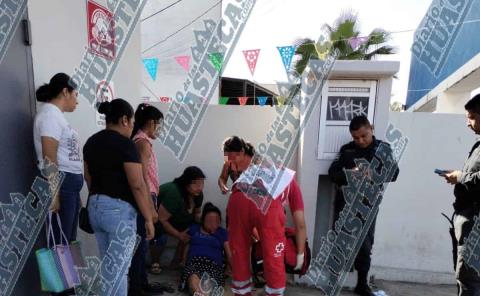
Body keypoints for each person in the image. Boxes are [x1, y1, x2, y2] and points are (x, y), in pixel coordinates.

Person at [83, 99, 154, 296]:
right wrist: (148, 217)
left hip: (95, 208)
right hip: (118, 213)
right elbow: (137, 184)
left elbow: (87, 176)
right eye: (131, 122)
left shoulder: (91, 142)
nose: (132, 127)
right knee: (120, 270)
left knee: (109, 268)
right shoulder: (125, 144)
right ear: (124, 120)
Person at [225, 137, 307, 296]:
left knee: (239, 252)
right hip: (268, 203)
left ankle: (242, 291)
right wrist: (300, 254)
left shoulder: (249, 173)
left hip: (237, 198)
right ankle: (274, 291)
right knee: (273, 256)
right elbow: (300, 224)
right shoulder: (287, 178)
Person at [328, 115, 399, 296]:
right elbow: (332, 172)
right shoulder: (346, 150)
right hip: (345, 205)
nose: (360, 141)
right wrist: (349, 173)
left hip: (367, 207)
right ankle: (332, 283)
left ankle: (362, 285)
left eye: (363, 136)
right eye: (356, 137)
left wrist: (373, 174)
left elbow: (394, 173)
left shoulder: (382, 149)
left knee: (365, 247)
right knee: (339, 244)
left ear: (371, 129)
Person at [34, 73, 83, 296]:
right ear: (65, 91)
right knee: (60, 245)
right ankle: (63, 293)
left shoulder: (57, 116)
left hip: (69, 186)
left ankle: (69, 291)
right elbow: (49, 155)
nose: (77, 100)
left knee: (67, 242)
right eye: (75, 95)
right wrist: (54, 192)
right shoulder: (50, 116)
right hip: (61, 185)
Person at [442, 94, 480, 296]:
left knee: (468, 279)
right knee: (464, 277)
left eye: (472, 117)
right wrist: (457, 176)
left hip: (475, 222)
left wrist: (461, 177)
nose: (468, 123)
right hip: (466, 218)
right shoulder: (478, 144)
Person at [128, 103, 164, 295]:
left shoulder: (141, 141)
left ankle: (142, 283)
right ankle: (137, 287)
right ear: (151, 123)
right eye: (158, 124)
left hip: (147, 196)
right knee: (141, 244)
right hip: (145, 196)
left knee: (143, 243)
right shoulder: (142, 143)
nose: (159, 128)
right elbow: (141, 178)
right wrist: (150, 208)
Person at [157, 166, 206, 267]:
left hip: (179, 223)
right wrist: (179, 235)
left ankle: (181, 262)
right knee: (159, 232)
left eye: (201, 183)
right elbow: (161, 219)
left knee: (195, 232)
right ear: (186, 182)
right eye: (195, 183)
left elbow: (197, 214)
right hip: (158, 222)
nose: (200, 187)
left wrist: (205, 225)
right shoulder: (174, 193)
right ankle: (155, 262)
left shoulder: (198, 195)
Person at [180, 202, 232, 295]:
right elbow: (185, 243)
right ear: (203, 220)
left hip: (213, 266)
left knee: (207, 286)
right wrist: (183, 260)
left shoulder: (222, 233)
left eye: (216, 221)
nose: (213, 224)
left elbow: (229, 254)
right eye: (209, 221)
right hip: (194, 263)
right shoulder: (194, 228)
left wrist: (229, 267)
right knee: (193, 279)